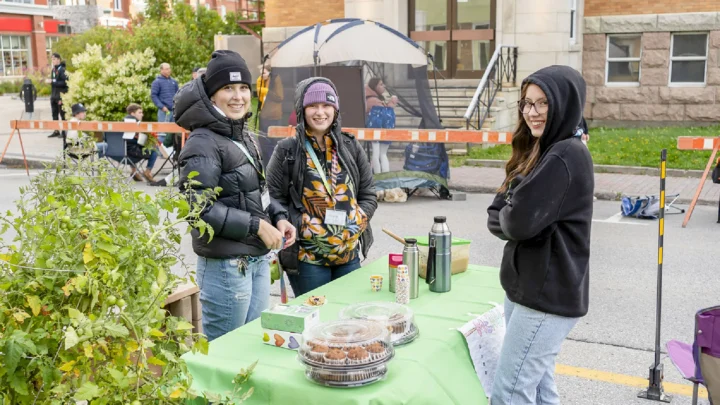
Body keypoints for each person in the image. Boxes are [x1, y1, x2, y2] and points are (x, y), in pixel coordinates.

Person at [486, 65, 593, 405]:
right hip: (526, 289)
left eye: (542, 103)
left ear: (563, 103)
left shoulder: (565, 154)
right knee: (542, 391)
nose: (532, 113)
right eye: (527, 103)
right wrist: (515, 212)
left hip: (545, 295)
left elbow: (516, 224)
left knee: (508, 393)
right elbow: (496, 215)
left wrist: (515, 214)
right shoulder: (540, 150)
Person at [175, 50, 296, 342]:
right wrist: (257, 226)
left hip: (254, 261)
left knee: (251, 347)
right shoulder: (202, 142)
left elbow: (258, 191)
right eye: (227, 88)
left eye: (243, 87)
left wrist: (278, 217)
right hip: (226, 269)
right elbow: (198, 210)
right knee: (227, 354)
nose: (238, 96)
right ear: (211, 95)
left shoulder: (241, 134)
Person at [267, 77, 377, 297]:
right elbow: (272, 196)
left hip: (348, 255)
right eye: (313, 106)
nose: (320, 112)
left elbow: (368, 193)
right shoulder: (287, 150)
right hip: (308, 259)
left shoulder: (350, 146)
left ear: (335, 109)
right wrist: (285, 220)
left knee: (348, 320)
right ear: (302, 109)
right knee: (316, 321)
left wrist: (359, 219)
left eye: (326, 105)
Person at [365, 77, 398, 174]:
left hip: (376, 129)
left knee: (378, 154)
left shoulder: (374, 98)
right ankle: (382, 176)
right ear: (374, 87)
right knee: (380, 154)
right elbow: (385, 113)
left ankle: (379, 176)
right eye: (381, 84)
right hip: (378, 128)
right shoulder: (373, 100)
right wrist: (391, 103)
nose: (383, 86)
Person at [123, 103, 158, 182]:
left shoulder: (122, 123)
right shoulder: (135, 123)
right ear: (132, 114)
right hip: (132, 153)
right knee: (154, 149)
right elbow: (140, 140)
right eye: (140, 112)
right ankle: (148, 171)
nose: (142, 115)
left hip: (119, 152)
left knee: (132, 146)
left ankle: (134, 171)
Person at [256, 65, 284, 164]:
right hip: (264, 115)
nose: (262, 75)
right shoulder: (261, 80)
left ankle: (276, 162)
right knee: (264, 140)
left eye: (264, 73)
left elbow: (280, 97)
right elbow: (260, 98)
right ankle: (266, 162)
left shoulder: (275, 79)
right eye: (260, 73)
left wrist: (266, 91)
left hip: (274, 116)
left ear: (269, 72)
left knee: (274, 141)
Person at [151, 62, 179, 143]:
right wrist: (162, 106)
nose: (169, 70)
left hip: (174, 111)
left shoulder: (174, 81)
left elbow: (178, 94)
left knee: (174, 133)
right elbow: (154, 96)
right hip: (163, 111)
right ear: (161, 70)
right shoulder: (157, 82)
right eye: (166, 69)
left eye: (169, 68)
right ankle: (161, 154)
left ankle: (173, 153)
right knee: (162, 133)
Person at [47, 53, 68, 138]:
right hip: (54, 95)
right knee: (54, 113)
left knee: (62, 114)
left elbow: (64, 82)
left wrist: (53, 82)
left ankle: (64, 132)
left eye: (54, 59)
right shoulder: (53, 70)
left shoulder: (62, 70)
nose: (53, 61)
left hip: (60, 96)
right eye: (52, 59)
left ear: (59, 59)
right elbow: (54, 82)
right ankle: (56, 130)